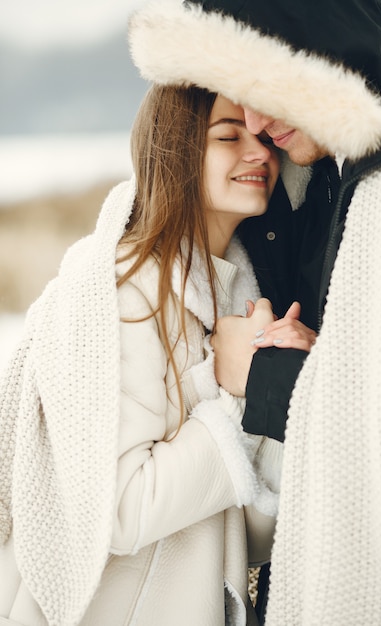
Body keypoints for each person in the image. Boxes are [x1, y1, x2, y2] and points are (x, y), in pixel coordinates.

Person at [128, 1, 381, 625]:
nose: (257, 128)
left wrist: (258, 378)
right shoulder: (309, 195)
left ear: (322, 53)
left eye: (267, 92)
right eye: (231, 120)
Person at [0, 78, 318, 625]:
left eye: (262, 135)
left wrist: (285, 381)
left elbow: (249, 534)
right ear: (176, 147)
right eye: (227, 135)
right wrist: (238, 391)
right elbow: (118, 510)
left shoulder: (240, 294)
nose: (259, 151)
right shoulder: (125, 292)